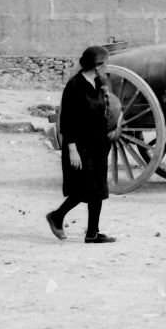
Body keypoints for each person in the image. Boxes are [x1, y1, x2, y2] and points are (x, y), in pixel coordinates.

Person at [46, 46, 121, 243]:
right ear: (96, 65)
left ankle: (92, 233)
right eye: (104, 63)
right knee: (84, 188)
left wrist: (112, 127)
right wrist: (72, 150)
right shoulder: (75, 86)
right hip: (80, 145)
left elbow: (107, 109)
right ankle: (56, 216)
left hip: (99, 143)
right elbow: (67, 121)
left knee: (98, 189)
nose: (107, 66)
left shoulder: (99, 82)